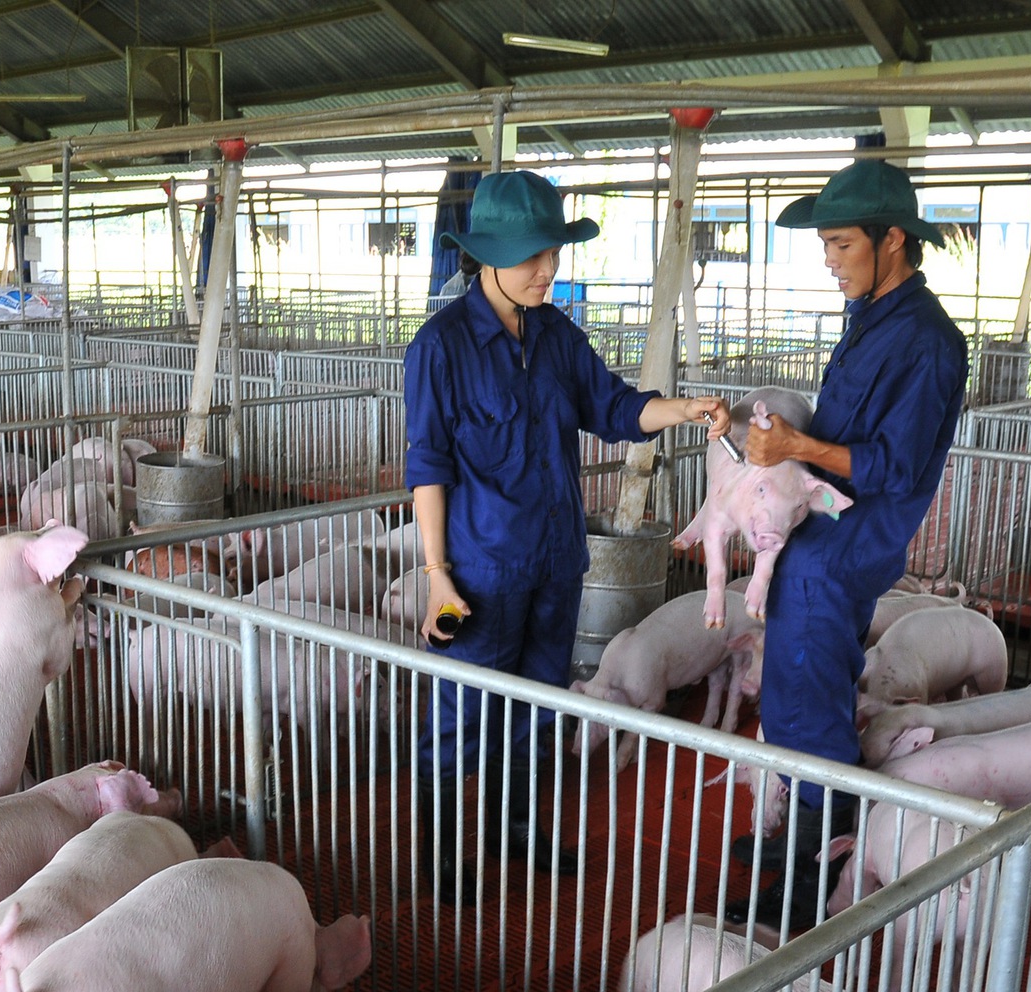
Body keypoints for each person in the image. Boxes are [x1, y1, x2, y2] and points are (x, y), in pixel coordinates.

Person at [404, 169, 730, 888]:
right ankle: (442, 857)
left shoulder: (556, 336)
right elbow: (428, 467)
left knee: (539, 704)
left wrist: (681, 409)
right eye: (532, 256)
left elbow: (613, 408)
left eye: (553, 252)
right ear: (490, 255)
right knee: (463, 710)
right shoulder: (440, 346)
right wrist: (436, 577)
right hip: (481, 572)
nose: (547, 269)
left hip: (556, 564)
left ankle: (514, 830)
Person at [725, 159, 970, 931]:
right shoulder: (872, 318)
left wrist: (796, 446)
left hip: (844, 547)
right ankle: (806, 841)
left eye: (841, 245)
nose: (830, 261)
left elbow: (895, 464)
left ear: (892, 238)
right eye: (826, 246)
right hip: (818, 536)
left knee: (809, 708)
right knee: (802, 693)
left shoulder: (927, 342)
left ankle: (812, 883)